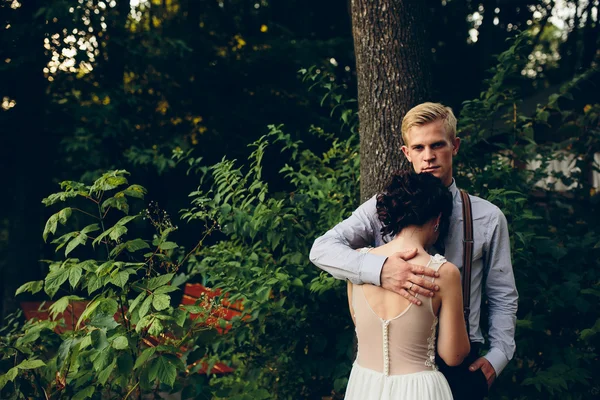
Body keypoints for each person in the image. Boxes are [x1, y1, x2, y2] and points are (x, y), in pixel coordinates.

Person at [310, 102, 518, 400]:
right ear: (406, 153)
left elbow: (503, 295)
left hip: (461, 362)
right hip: (395, 364)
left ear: (455, 146)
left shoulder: (487, 217)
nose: (429, 156)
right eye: (418, 147)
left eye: (437, 145)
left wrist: (498, 356)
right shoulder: (383, 208)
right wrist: (381, 270)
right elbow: (322, 249)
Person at [345, 171, 469, 400]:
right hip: (420, 390)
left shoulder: (357, 265)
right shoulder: (443, 273)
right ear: (439, 219)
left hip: (364, 386)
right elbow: (453, 355)